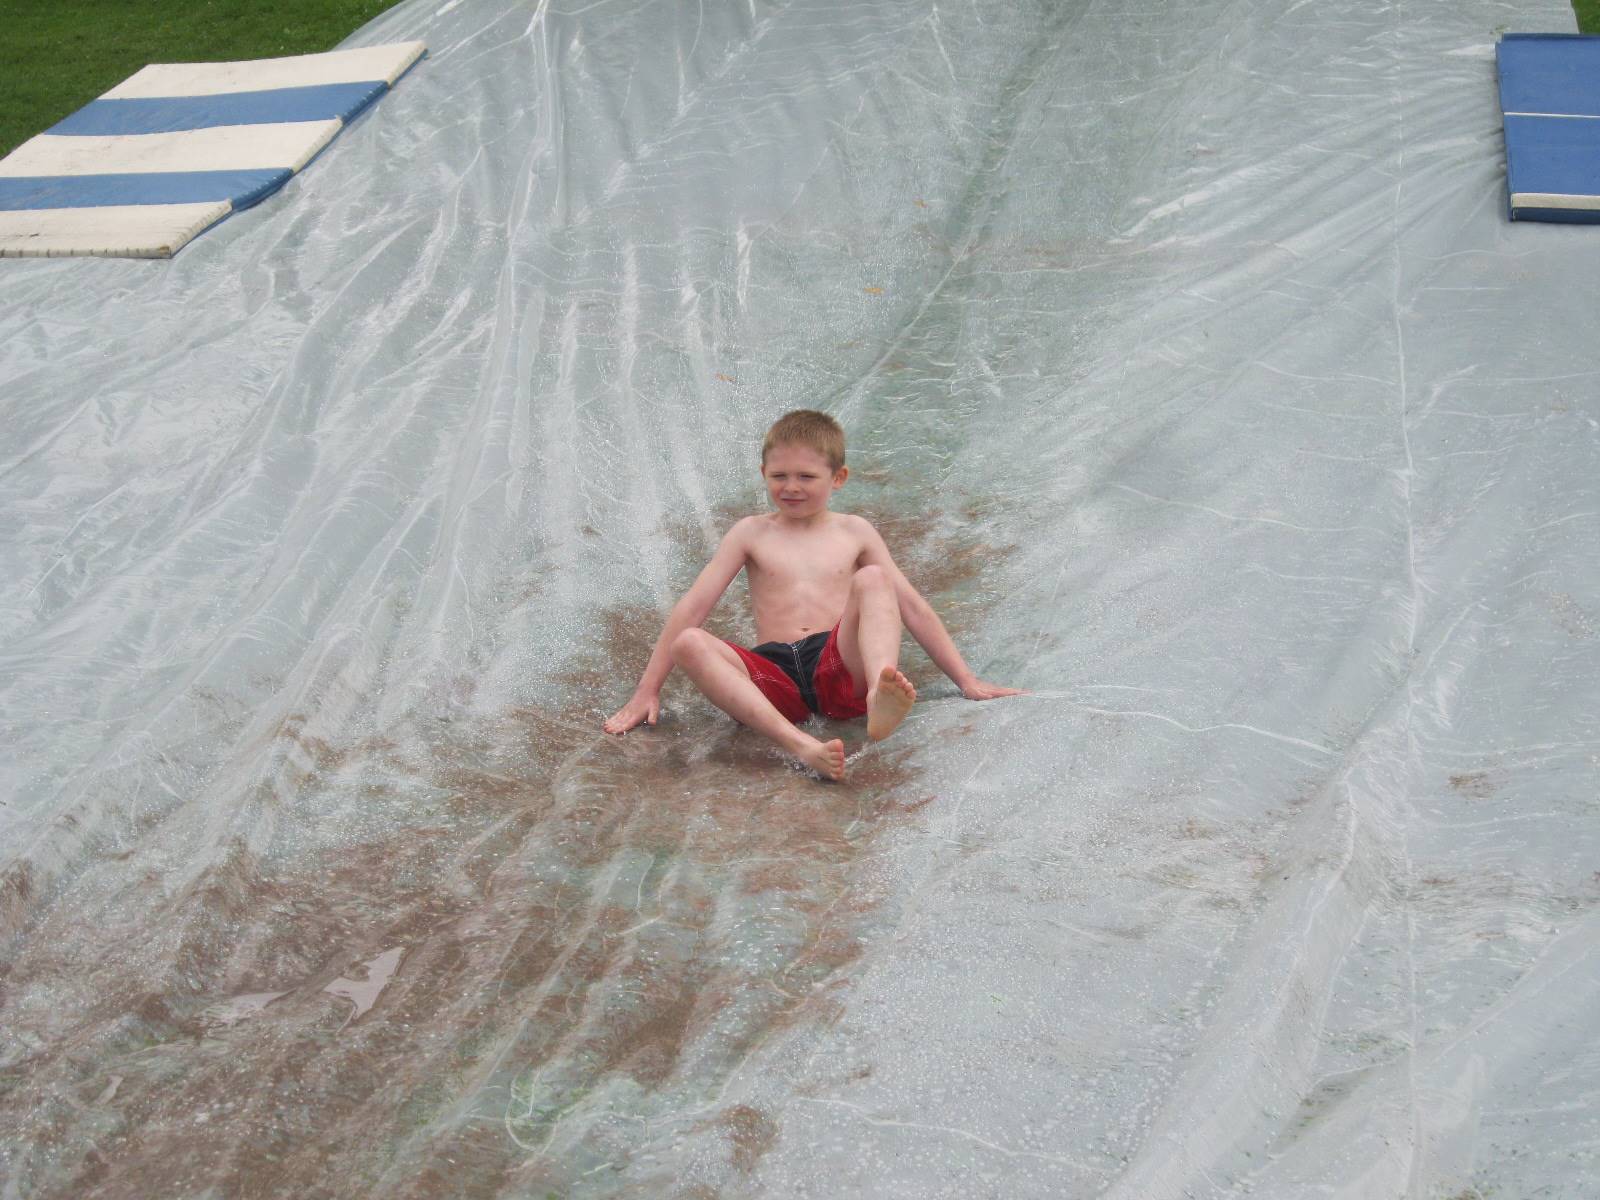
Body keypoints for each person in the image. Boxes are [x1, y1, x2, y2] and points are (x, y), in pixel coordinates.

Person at [602, 410, 1021, 779]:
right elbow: (694, 606)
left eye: (806, 476)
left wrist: (966, 680)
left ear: (838, 478)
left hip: (838, 667)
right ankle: (800, 745)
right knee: (688, 642)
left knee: (876, 578)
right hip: (775, 676)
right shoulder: (751, 532)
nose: (792, 487)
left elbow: (909, 605)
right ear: (763, 474)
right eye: (779, 476)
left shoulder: (854, 531)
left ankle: (879, 692)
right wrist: (647, 690)